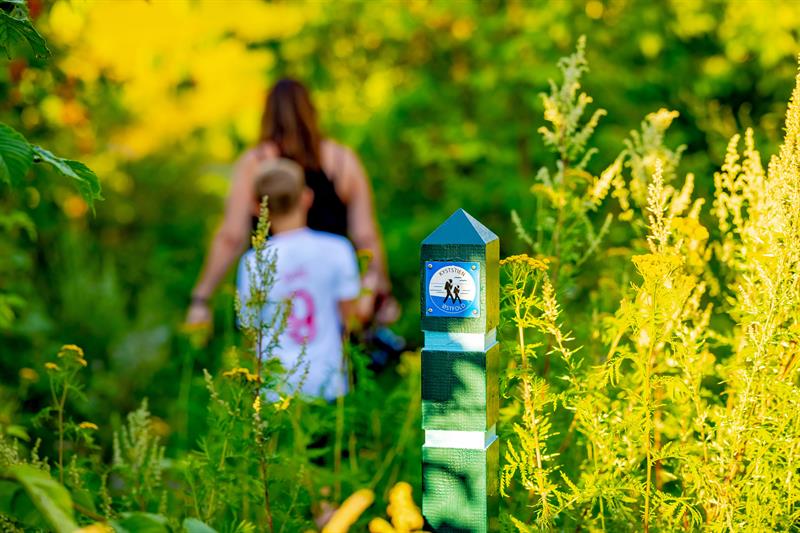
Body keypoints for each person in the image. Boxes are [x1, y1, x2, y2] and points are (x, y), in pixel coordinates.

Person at [187, 78, 395, 326]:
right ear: (312, 111)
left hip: (273, 297)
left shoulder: (255, 162)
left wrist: (202, 298)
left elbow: (231, 236)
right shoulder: (343, 161)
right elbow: (366, 235)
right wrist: (381, 291)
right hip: (333, 297)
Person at [237, 158, 360, 401]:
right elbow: (352, 321)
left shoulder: (253, 261)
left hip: (276, 388)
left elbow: (250, 332)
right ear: (306, 197)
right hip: (329, 382)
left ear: (256, 207)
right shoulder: (337, 249)